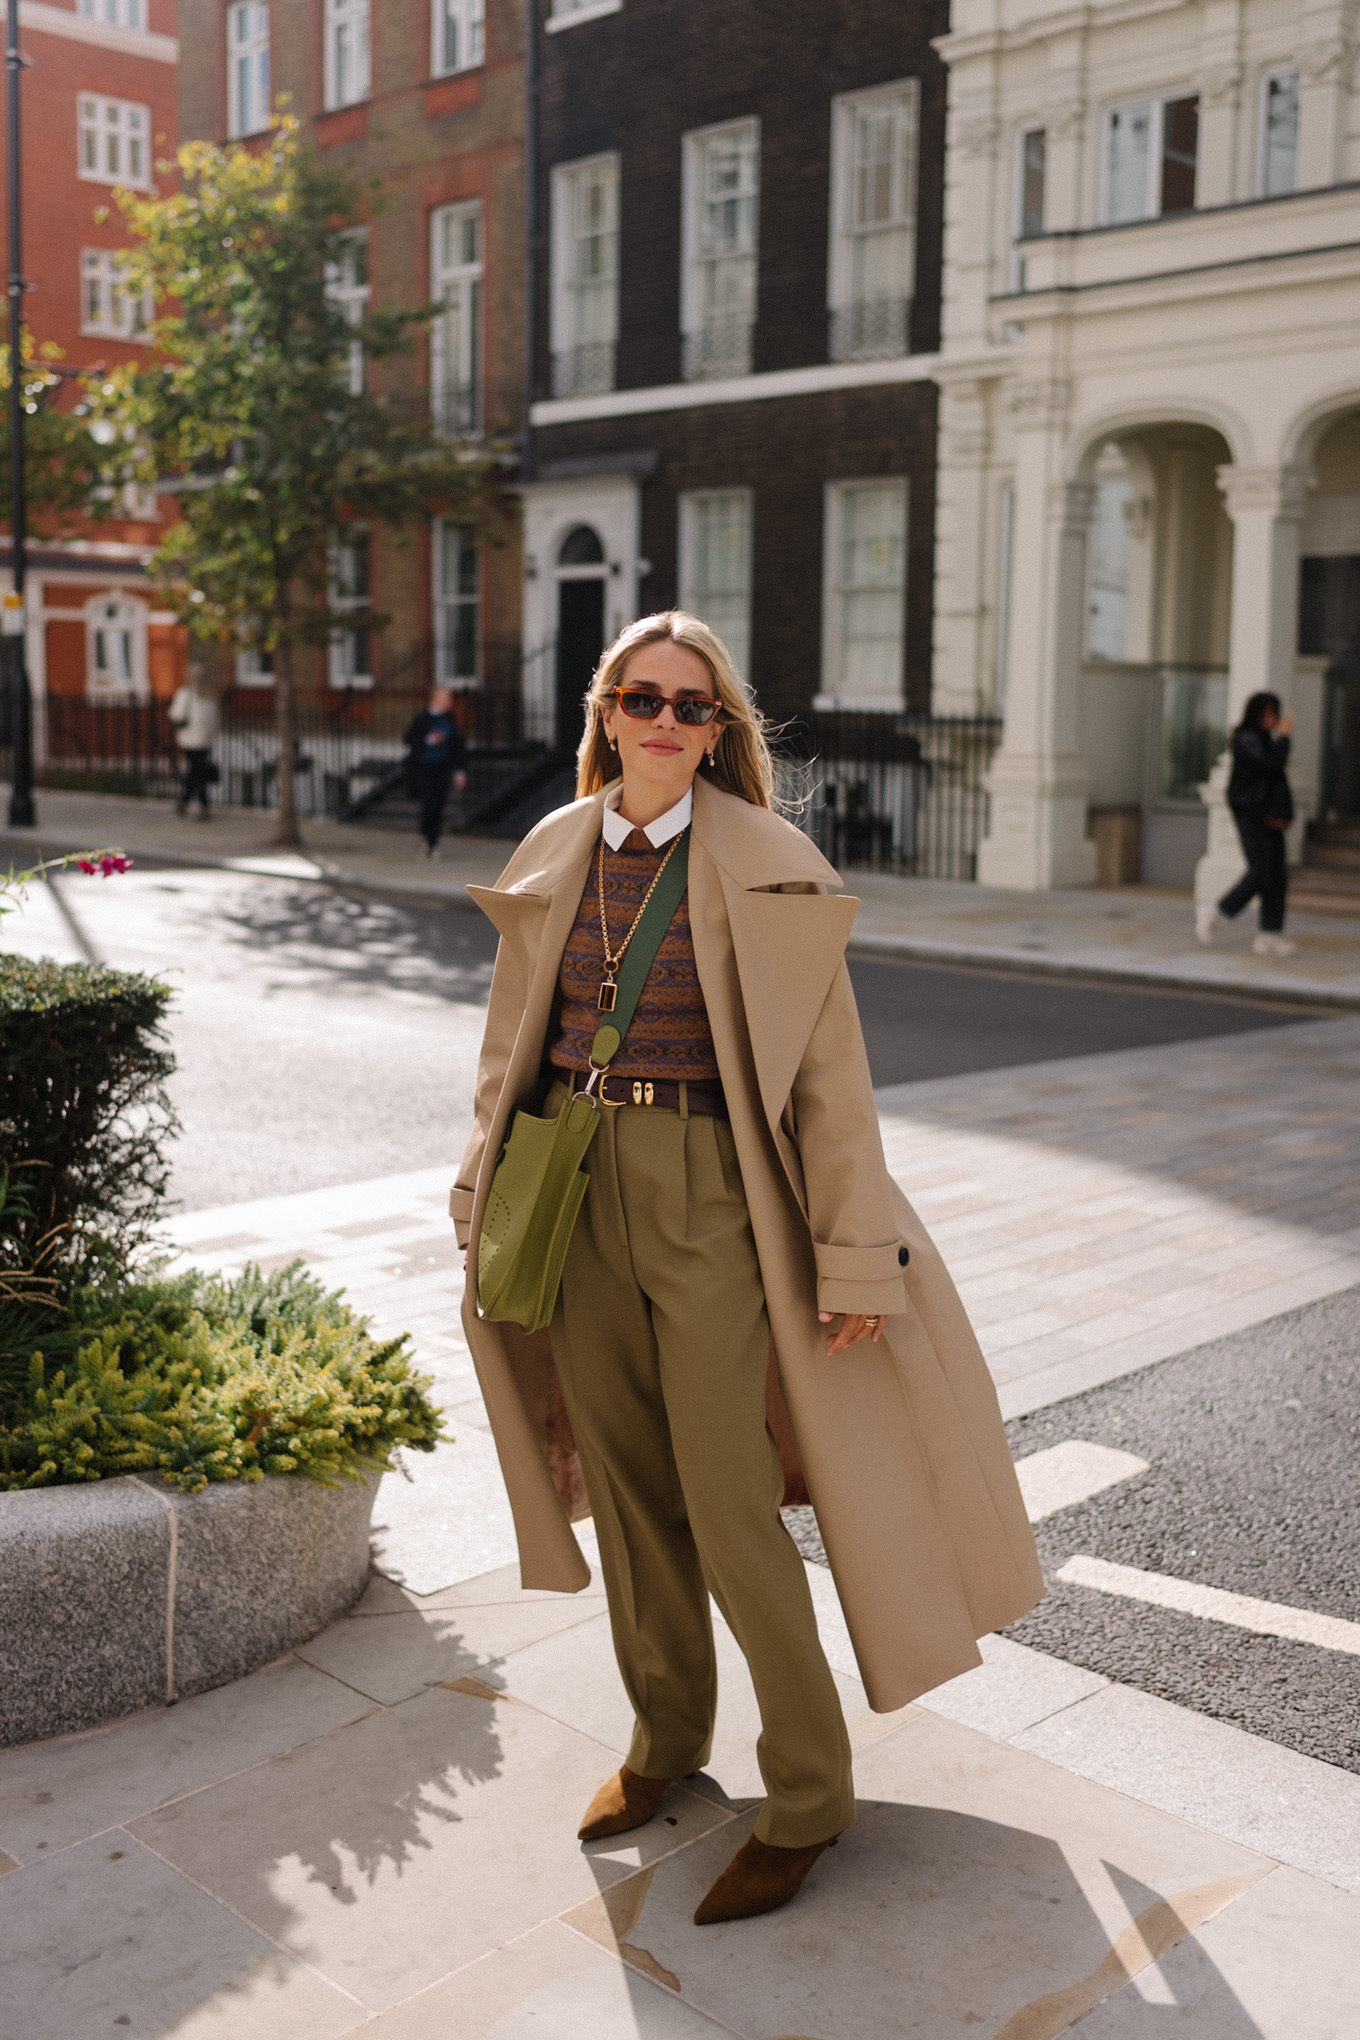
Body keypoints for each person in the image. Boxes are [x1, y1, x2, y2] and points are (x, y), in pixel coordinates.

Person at [450, 612, 1042, 1927]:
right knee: (623, 1480)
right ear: (605, 711)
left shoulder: (768, 860)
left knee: (727, 1502)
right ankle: (665, 1740)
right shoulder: (554, 848)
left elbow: (832, 1082)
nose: (666, 723)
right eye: (643, 698)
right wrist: (474, 1193)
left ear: (721, 733)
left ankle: (807, 1793)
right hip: (572, 1183)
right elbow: (510, 1048)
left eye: (693, 707)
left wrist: (851, 1258)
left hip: (713, 1195)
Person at [1198, 691, 1296, 956]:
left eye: (1275, 713)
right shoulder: (1247, 739)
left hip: (1270, 815)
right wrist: (1284, 737)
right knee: (1261, 871)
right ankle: (1215, 912)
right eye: (1268, 713)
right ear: (1256, 714)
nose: (1272, 719)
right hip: (1252, 815)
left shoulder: (1264, 739)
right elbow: (1272, 765)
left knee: (1277, 874)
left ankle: (1270, 934)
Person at [403, 685, 469, 857]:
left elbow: (458, 747)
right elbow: (409, 738)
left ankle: (434, 840)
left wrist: (460, 771)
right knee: (429, 804)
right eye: (446, 697)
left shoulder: (449, 719)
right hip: (424, 768)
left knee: (439, 805)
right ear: (435, 698)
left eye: (450, 698)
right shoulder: (423, 718)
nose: (449, 701)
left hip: (443, 767)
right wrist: (429, 740)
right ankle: (425, 839)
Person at [168, 669, 221, 820]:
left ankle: (188, 802)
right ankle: (197, 805)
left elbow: (176, 714)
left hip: (191, 740)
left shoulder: (186, 694)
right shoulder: (209, 695)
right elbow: (215, 720)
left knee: (195, 772)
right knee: (198, 772)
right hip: (204, 741)